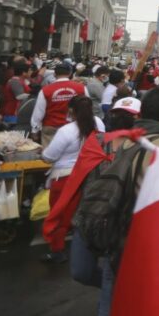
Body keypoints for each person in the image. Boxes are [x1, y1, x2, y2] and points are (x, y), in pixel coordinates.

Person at [41, 96, 105, 263]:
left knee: (60, 216)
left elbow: (49, 156)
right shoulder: (98, 123)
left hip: (65, 179)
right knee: (88, 213)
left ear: (70, 110)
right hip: (91, 174)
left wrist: (42, 153)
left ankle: (57, 251)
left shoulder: (66, 131)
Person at [32, 63, 89, 148]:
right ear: (70, 74)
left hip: (51, 127)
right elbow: (87, 107)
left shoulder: (45, 90)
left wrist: (35, 130)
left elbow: (39, 112)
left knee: (49, 155)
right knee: (71, 154)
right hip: (74, 127)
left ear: (54, 74)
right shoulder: (81, 88)